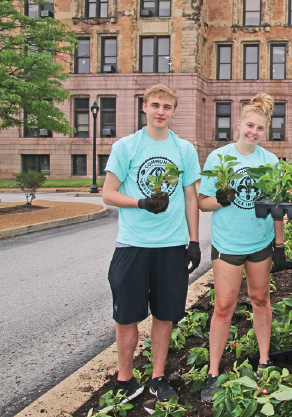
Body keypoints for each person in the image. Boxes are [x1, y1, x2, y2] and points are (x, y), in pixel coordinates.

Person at [102, 84, 202, 404]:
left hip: (171, 246)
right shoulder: (126, 147)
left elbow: (190, 196)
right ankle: (125, 380)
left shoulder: (184, 149)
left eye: (167, 107)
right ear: (144, 107)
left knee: (165, 314)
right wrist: (140, 203)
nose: (161, 111)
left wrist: (194, 241)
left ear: (174, 111)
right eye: (155, 105)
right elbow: (108, 193)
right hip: (132, 245)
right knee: (126, 316)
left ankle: (158, 377)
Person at [197, 93, 284, 401]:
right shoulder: (218, 158)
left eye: (260, 128)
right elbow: (202, 202)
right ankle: (213, 372)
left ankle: (264, 361)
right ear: (238, 124)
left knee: (261, 299)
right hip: (228, 243)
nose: (253, 132)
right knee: (224, 307)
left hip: (260, 242)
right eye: (250, 125)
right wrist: (220, 199)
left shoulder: (270, 162)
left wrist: (280, 243)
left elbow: (276, 206)